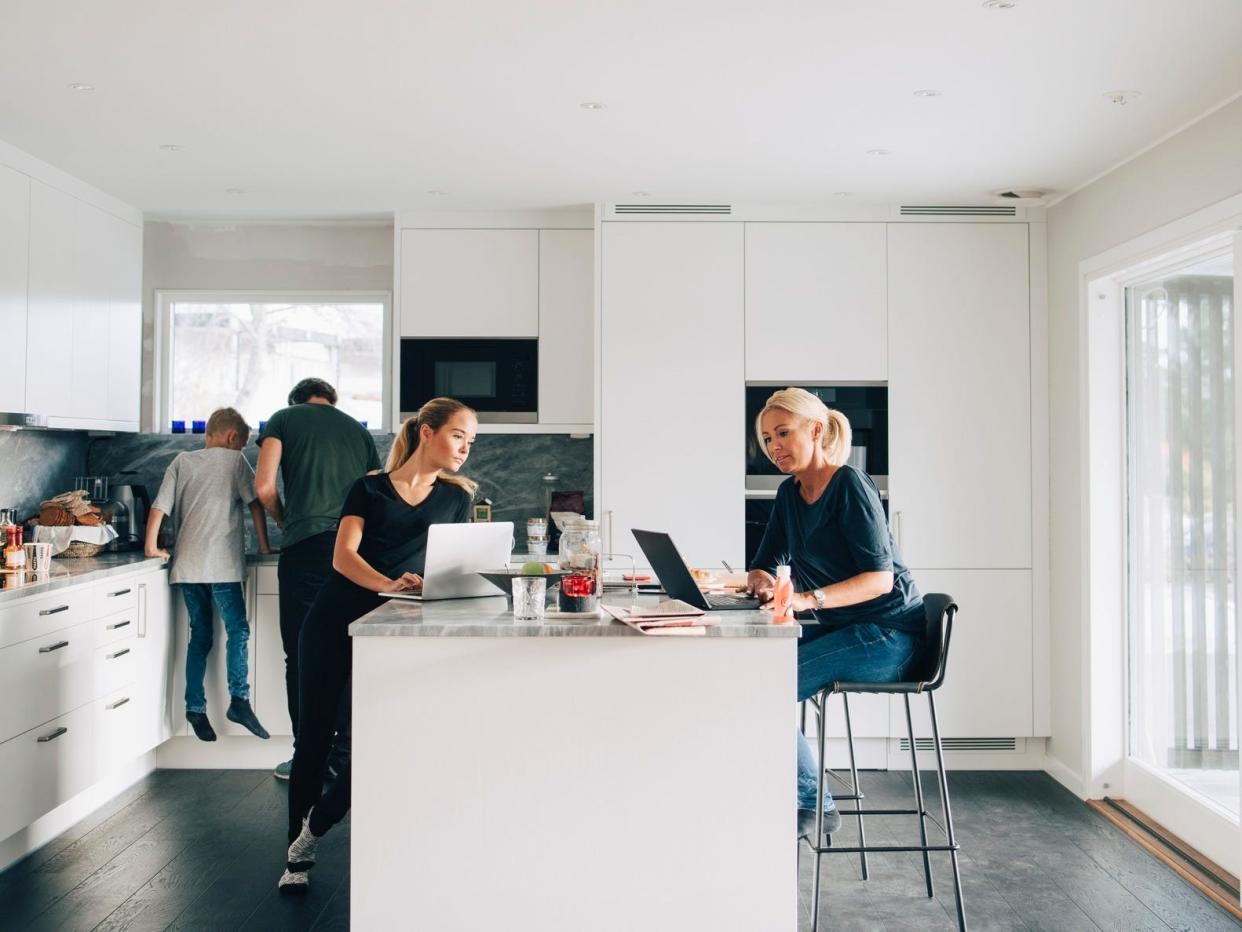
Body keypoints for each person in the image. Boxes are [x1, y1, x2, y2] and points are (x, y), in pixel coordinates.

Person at [278, 397, 478, 894]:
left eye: (471, 441)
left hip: (392, 630)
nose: (465, 449)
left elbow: (458, 568)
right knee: (313, 741)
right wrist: (391, 582)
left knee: (380, 736)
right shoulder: (368, 489)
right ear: (428, 432)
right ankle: (294, 859)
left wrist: (436, 586)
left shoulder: (457, 498)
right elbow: (344, 558)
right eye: (458, 435)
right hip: (333, 619)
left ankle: (315, 830)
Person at [745, 388, 925, 841]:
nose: (775, 446)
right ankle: (770, 792)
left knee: (764, 686)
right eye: (768, 439)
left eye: (783, 433)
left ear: (816, 430)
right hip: (848, 630)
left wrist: (807, 600)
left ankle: (812, 802)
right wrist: (762, 580)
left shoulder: (849, 485)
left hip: (891, 636)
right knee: (747, 672)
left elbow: (879, 581)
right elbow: (765, 561)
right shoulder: (790, 493)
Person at [255, 377, 381, 781]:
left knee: (303, 655)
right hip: (355, 553)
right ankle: (346, 760)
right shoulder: (358, 431)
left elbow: (263, 486)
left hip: (306, 549)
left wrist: (284, 519)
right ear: (332, 401)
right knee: (350, 653)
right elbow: (377, 495)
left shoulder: (283, 419)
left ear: (295, 400)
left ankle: (308, 758)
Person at [146, 407, 272, 742]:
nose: (242, 449)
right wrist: (263, 546)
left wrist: (151, 547)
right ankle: (240, 700)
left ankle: (195, 709)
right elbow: (256, 504)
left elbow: (159, 507)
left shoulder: (182, 461)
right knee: (238, 631)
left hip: (187, 564)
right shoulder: (234, 462)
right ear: (233, 438)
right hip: (221, 564)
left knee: (200, 637)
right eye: (242, 443)